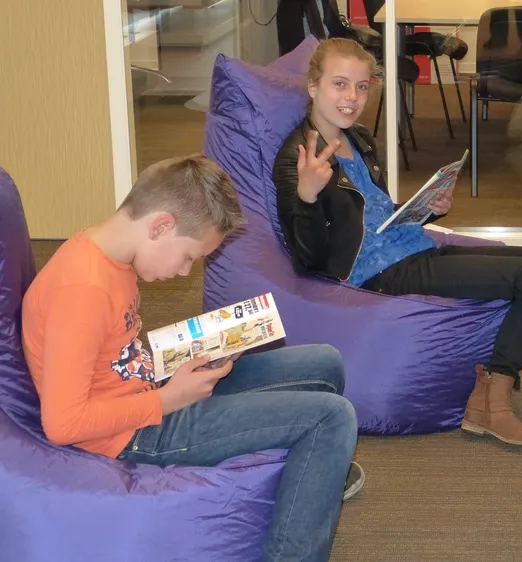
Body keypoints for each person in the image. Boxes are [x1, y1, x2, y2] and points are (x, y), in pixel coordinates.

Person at [272, 38, 522, 447]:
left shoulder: (359, 139)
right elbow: (309, 258)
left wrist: (427, 209)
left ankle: (492, 392)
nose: (352, 97)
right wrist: (306, 197)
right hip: (380, 270)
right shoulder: (298, 159)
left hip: (411, 244)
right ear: (313, 86)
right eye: (340, 84)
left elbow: (372, 213)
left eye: (362, 86)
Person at [21, 155, 363, 562]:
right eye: (188, 257)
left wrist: (192, 354)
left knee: (325, 363)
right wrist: (169, 399)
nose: (186, 271)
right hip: (133, 434)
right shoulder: (83, 291)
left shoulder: (114, 256)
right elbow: (63, 425)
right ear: (160, 227)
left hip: (150, 394)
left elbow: (114, 356)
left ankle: (317, 475)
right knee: (332, 417)